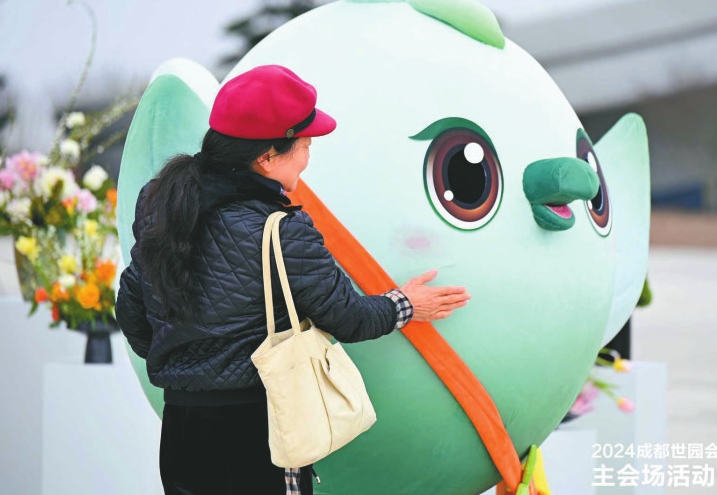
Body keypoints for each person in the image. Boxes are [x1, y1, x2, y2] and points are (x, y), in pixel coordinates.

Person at [115, 64, 471, 495]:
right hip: (259, 428)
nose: (308, 155)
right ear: (266, 156)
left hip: (182, 429)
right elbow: (349, 318)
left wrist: (188, 363)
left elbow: (132, 312)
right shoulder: (280, 230)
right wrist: (407, 303)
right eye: (303, 144)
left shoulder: (164, 207)